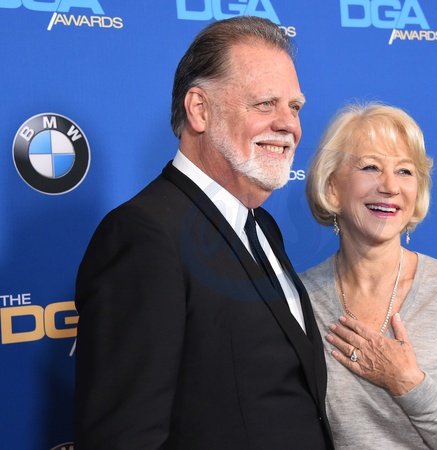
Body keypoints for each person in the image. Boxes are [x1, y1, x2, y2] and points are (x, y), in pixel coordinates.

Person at [73, 16, 334, 449]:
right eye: (265, 104)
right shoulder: (143, 234)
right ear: (199, 109)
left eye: (295, 107)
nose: (289, 124)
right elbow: (124, 437)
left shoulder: (262, 226)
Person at [300, 103, 437, 449]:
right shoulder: (299, 300)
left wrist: (407, 382)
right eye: (371, 167)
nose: (390, 186)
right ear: (333, 187)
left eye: (404, 171)